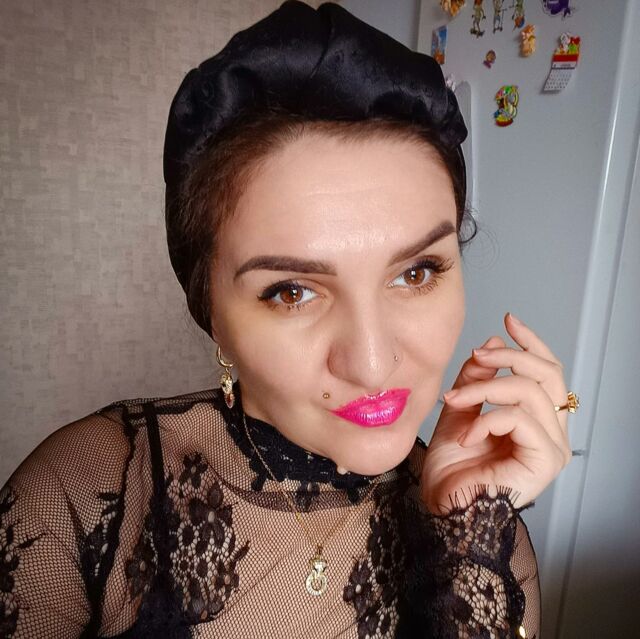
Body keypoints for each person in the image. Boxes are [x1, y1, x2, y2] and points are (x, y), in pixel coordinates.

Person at [0, 1, 576, 637]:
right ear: (210, 312)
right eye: (293, 292)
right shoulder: (80, 498)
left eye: (416, 273)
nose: (373, 364)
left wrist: (461, 535)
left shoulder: (481, 532)